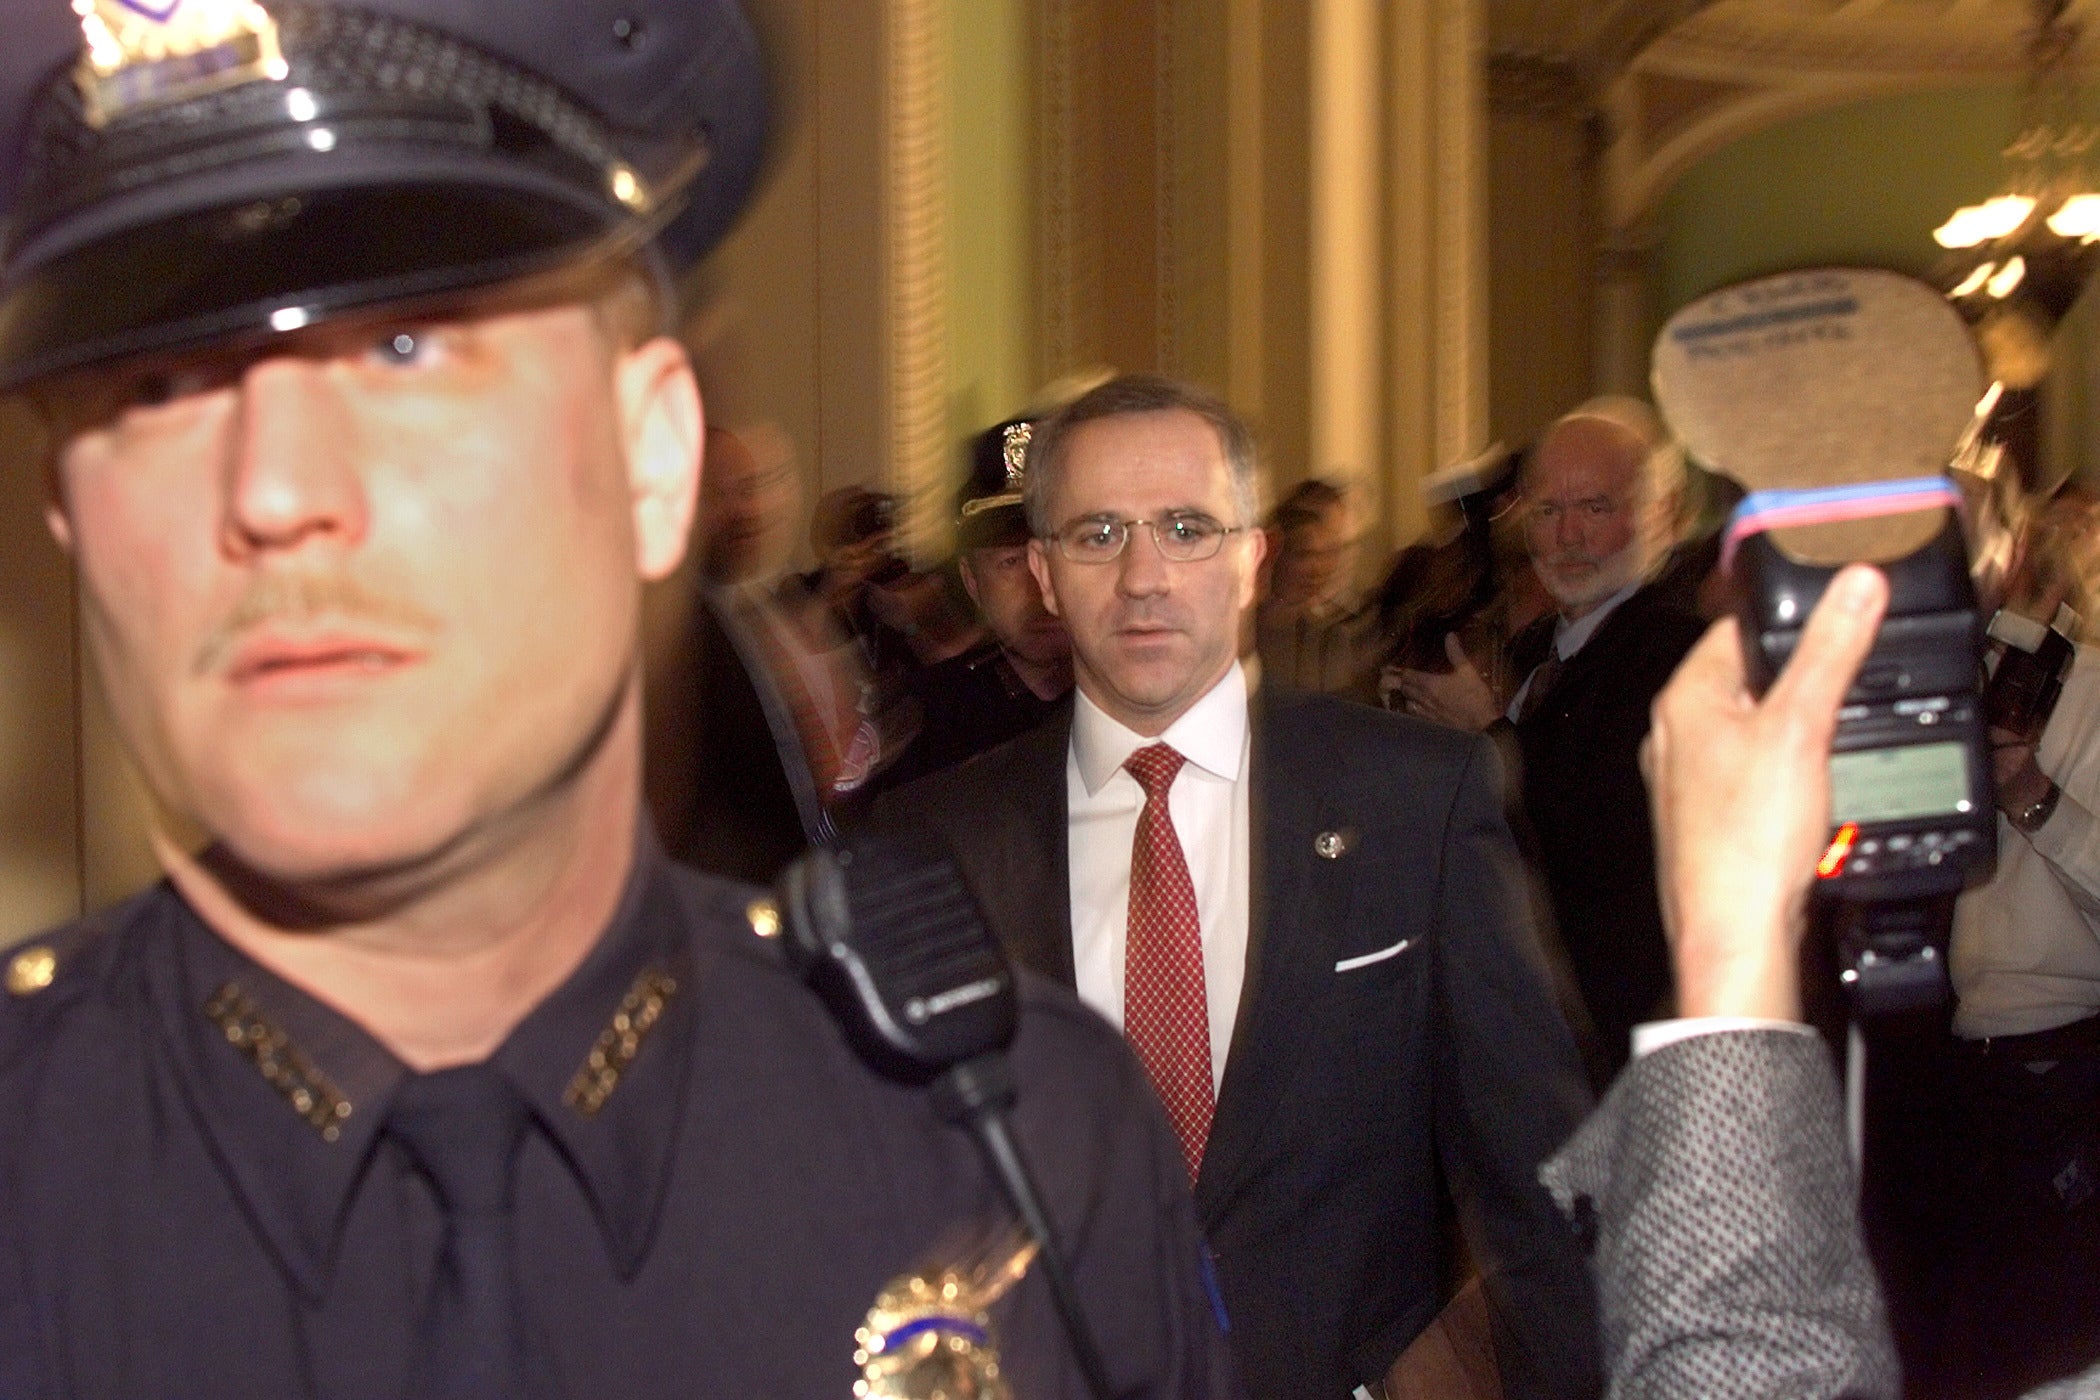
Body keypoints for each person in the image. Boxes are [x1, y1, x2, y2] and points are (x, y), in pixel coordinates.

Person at [0, 4, 1234, 1395]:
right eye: (161, 386)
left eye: (408, 348)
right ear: (66, 513)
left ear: (656, 462)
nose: (273, 488)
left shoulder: (1018, 1155)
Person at [872, 374, 1601, 1400]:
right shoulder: (936, 838)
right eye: (1097, 534)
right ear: (1041, 570)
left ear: (1255, 556)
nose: (1143, 577)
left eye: (1186, 528)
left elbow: (1546, 1178)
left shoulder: (1413, 801)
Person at [1392, 397, 1707, 1076]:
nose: (1566, 537)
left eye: (1595, 508)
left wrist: (1488, 737)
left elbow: (1607, 835)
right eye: (1545, 511)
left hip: (1623, 1031)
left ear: (1665, 513)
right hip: (1532, 1022)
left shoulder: (1683, 653)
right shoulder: (1540, 643)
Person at [876, 415, 1074, 790]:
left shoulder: (1143, 707)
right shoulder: (926, 723)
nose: (1038, 584)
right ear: (972, 582)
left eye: (1053, 557)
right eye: (1011, 562)